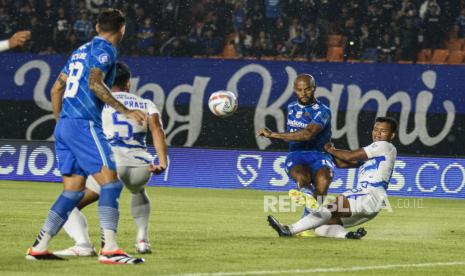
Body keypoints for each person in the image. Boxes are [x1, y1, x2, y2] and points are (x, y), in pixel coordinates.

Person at [26, 9, 147, 264]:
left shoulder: (79, 51)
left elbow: (56, 88)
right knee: (111, 184)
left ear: (96, 26)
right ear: (122, 29)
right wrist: (124, 110)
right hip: (84, 123)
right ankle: (110, 248)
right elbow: (94, 83)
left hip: (66, 125)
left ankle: (40, 246)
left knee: (72, 192)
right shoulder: (106, 50)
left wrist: (61, 123)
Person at [53, 62, 168, 256]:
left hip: (111, 166)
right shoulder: (146, 103)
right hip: (141, 167)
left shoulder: (96, 103)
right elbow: (158, 130)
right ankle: (142, 241)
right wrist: (163, 162)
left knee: (68, 206)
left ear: (104, 82)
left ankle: (83, 244)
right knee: (138, 191)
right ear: (128, 83)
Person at [267, 117, 398, 239]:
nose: (378, 134)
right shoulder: (374, 155)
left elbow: (350, 156)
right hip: (374, 204)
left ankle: (289, 230)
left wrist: (330, 149)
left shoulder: (384, 146)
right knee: (320, 225)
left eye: (383, 131)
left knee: (326, 211)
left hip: (367, 194)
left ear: (392, 135)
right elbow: (342, 162)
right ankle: (347, 235)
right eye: (376, 130)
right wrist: (321, 154)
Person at [257, 74, 334, 204]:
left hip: (320, 154)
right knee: (301, 176)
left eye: (307, 89)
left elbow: (307, 134)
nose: (303, 93)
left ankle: (310, 206)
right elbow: (292, 135)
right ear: (294, 90)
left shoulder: (323, 111)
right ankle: (306, 194)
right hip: (296, 154)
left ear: (314, 88)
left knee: (324, 180)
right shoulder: (292, 107)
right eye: (299, 90)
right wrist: (285, 136)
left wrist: (273, 135)